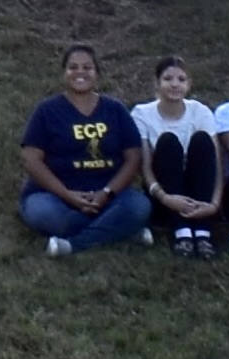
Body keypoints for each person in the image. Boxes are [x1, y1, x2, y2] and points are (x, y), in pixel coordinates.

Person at [20, 45, 152, 251]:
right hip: (54, 195)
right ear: (64, 73)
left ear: (97, 73)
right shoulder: (47, 110)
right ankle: (121, 230)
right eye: (73, 67)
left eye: (87, 67)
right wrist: (66, 194)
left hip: (108, 195)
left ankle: (73, 245)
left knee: (140, 206)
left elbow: (133, 157)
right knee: (50, 217)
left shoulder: (114, 109)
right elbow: (31, 159)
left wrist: (106, 193)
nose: (80, 72)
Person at [135, 54, 229, 257]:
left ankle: (202, 232)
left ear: (189, 84)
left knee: (201, 140)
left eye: (181, 79)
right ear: (157, 83)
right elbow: (145, 167)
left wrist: (214, 204)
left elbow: (215, 162)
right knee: (168, 142)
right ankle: (182, 233)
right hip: (164, 192)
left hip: (199, 192)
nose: (174, 85)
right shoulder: (141, 113)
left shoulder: (201, 112)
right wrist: (165, 198)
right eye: (168, 79)